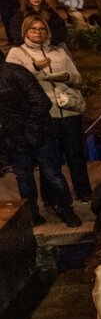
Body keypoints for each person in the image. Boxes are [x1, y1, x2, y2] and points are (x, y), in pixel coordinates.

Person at [6, 14, 92, 203]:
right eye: (33, 29)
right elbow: (13, 82)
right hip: (44, 115)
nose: (38, 32)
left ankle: (84, 192)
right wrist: (36, 68)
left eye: (42, 29)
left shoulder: (59, 52)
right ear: (25, 32)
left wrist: (67, 77)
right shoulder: (16, 54)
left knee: (76, 155)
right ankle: (54, 199)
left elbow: (77, 77)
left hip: (69, 110)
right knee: (50, 160)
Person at [0, 60, 81, 226]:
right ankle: (32, 213)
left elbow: (41, 102)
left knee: (52, 174)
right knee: (23, 177)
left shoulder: (16, 73)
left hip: (39, 133)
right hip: (14, 137)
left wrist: (31, 131)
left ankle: (66, 209)